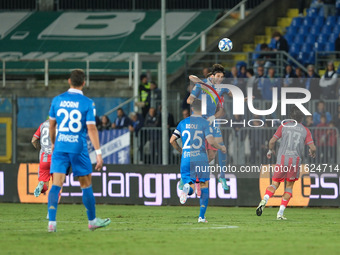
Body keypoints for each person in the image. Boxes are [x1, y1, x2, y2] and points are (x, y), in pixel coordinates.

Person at [48, 69, 110, 232]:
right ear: (83, 83)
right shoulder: (87, 103)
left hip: (61, 146)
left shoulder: (57, 100)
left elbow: (52, 126)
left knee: (56, 184)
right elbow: (91, 129)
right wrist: (98, 152)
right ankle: (92, 221)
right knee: (86, 184)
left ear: (69, 81)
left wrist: (54, 143)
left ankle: (52, 223)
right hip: (78, 147)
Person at [169, 99, 226, 223]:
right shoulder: (205, 123)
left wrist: (181, 150)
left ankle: (186, 188)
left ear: (192, 109)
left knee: (190, 185)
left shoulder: (183, 123)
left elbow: (172, 140)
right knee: (204, 185)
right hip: (201, 158)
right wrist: (221, 147)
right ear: (203, 109)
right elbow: (211, 141)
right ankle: (201, 217)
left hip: (186, 158)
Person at [256, 106, 316, 220]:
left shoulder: (284, 125)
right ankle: (280, 213)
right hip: (295, 161)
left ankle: (265, 199)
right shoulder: (305, 130)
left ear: (291, 117)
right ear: (302, 118)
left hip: (282, 160)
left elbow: (272, 141)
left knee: (274, 184)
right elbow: (312, 147)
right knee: (289, 187)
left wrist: (270, 150)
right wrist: (312, 152)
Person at [187, 64, 230, 190]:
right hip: (199, 120)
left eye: (222, 77)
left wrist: (213, 117)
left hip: (211, 121)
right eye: (218, 76)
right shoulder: (201, 85)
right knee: (195, 152)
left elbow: (221, 111)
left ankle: (222, 176)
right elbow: (189, 100)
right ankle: (186, 177)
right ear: (212, 76)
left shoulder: (220, 89)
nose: (220, 78)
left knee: (218, 151)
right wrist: (199, 104)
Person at [32, 119, 52, 197]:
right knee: (57, 184)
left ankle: (41, 186)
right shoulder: (60, 125)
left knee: (45, 186)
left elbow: (33, 140)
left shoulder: (43, 125)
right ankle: (54, 206)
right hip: (55, 159)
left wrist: (41, 148)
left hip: (44, 158)